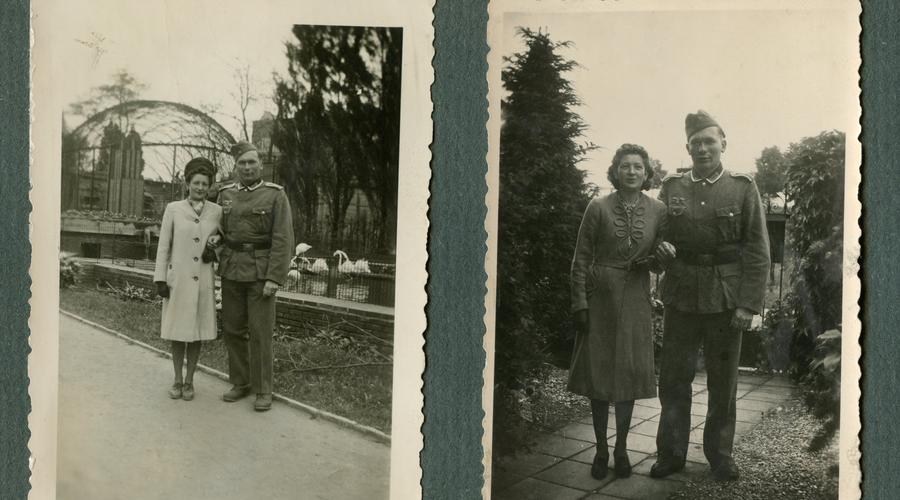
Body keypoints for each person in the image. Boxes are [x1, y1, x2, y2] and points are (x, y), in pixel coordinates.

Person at [650, 111, 770, 481]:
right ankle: (671, 454)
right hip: (682, 295)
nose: (702, 148)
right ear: (687, 147)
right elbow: (657, 237)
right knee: (673, 379)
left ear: (723, 144)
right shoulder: (672, 186)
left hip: (725, 298)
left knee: (723, 382)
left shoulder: (742, 186)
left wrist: (748, 304)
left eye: (709, 141)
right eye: (696, 143)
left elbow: (757, 250)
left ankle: (720, 455)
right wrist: (661, 248)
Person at [569, 144, 669, 480]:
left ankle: (622, 449)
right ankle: (600, 449)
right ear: (615, 171)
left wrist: (662, 257)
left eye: (638, 167)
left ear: (646, 172)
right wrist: (580, 303)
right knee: (598, 377)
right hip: (600, 298)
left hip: (637, 296)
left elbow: (659, 259)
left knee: (627, 376)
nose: (631, 172)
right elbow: (581, 258)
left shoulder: (658, 210)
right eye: (625, 166)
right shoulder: (597, 207)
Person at [216, 141, 294, 412]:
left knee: (261, 332)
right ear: (236, 167)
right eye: (242, 163)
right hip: (232, 270)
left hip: (261, 274)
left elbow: (283, 239)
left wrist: (274, 277)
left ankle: (263, 389)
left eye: (251, 163)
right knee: (233, 329)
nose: (247, 167)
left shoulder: (275, 195)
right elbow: (221, 231)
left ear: (261, 165)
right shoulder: (225, 194)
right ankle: (241, 382)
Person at [153, 157, 223, 401]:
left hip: (203, 279)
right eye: (196, 182)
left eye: (205, 183)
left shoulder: (217, 212)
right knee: (177, 332)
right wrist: (160, 279)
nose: (201, 187)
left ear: (210, 185)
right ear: (187, 183)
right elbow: (163, 246)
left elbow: (223, 241)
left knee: (196, 333)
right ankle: (176, 379)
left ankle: (190, 381)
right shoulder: (173, 209)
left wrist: (215, 246)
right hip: (178, 281)